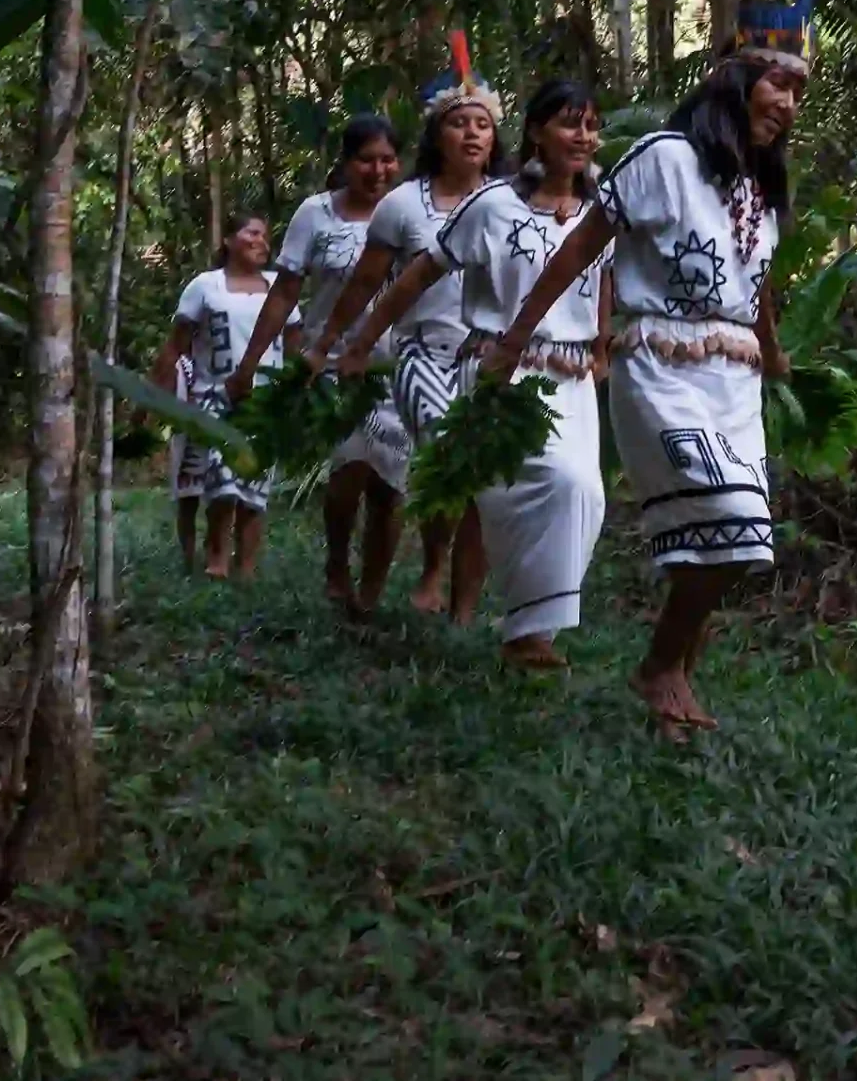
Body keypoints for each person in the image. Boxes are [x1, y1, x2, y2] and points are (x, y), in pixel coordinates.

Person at [482, 34, 807, 736]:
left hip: (736, 375)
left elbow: (759, 279)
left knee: (743, 540)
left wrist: (775, 354)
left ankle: (675, 679)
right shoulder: (665, 157)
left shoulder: (759, 185)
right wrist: (515, 337)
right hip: (662, 362)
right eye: (775, 81)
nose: (786, 102)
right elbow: (581, 246)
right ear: (733, 80)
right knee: (726, 514)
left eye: (797, 91)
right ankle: (661, 667)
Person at [338, 79, 610, 669]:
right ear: (537, 131)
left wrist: (605, 345)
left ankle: (528, 627)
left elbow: (604, 280)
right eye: (569, 123)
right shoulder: (492, 206)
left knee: (584, 494)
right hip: (499, 372)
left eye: (591, 125)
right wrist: (361, 340)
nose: (583, 136)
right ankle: (525, 630)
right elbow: (418, 275)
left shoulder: (601, 209)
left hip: (572, 372)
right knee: (544, 482)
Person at [318, 67, 507, 614]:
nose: (472, 135)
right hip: (418, 352)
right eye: (459, 124)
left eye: (482, 125)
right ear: (435, 137)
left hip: (489, 354)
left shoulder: (512, 202)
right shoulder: (403, 205)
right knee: (438, 457)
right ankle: (370, 580)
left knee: (475, 480)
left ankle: (447, 586)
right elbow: (365, 285)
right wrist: (335, 343)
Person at [226, 115, 405, 612]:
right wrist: (250, 363)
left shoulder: (415, 210)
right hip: (332, 363)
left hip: (399, 366)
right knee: (350, 469)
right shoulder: (315, 215)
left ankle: (370, 591)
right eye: (365, 159)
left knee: (391, 483)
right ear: (345, 163)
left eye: (387, 159)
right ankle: (337, 565)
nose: (377, 170)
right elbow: (286, 291)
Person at [148, 214, 290, 580]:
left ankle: (245, 566)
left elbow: (295, 343)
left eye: (266, 235)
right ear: (229, 239)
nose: (262, 241)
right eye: (253, 233)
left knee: (254, 488)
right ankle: (216, 559)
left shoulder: (280, 286)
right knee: (222, 481)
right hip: (215, 395)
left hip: (266, 399)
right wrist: (155, 399)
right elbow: (176, 345)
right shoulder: (205, 286)